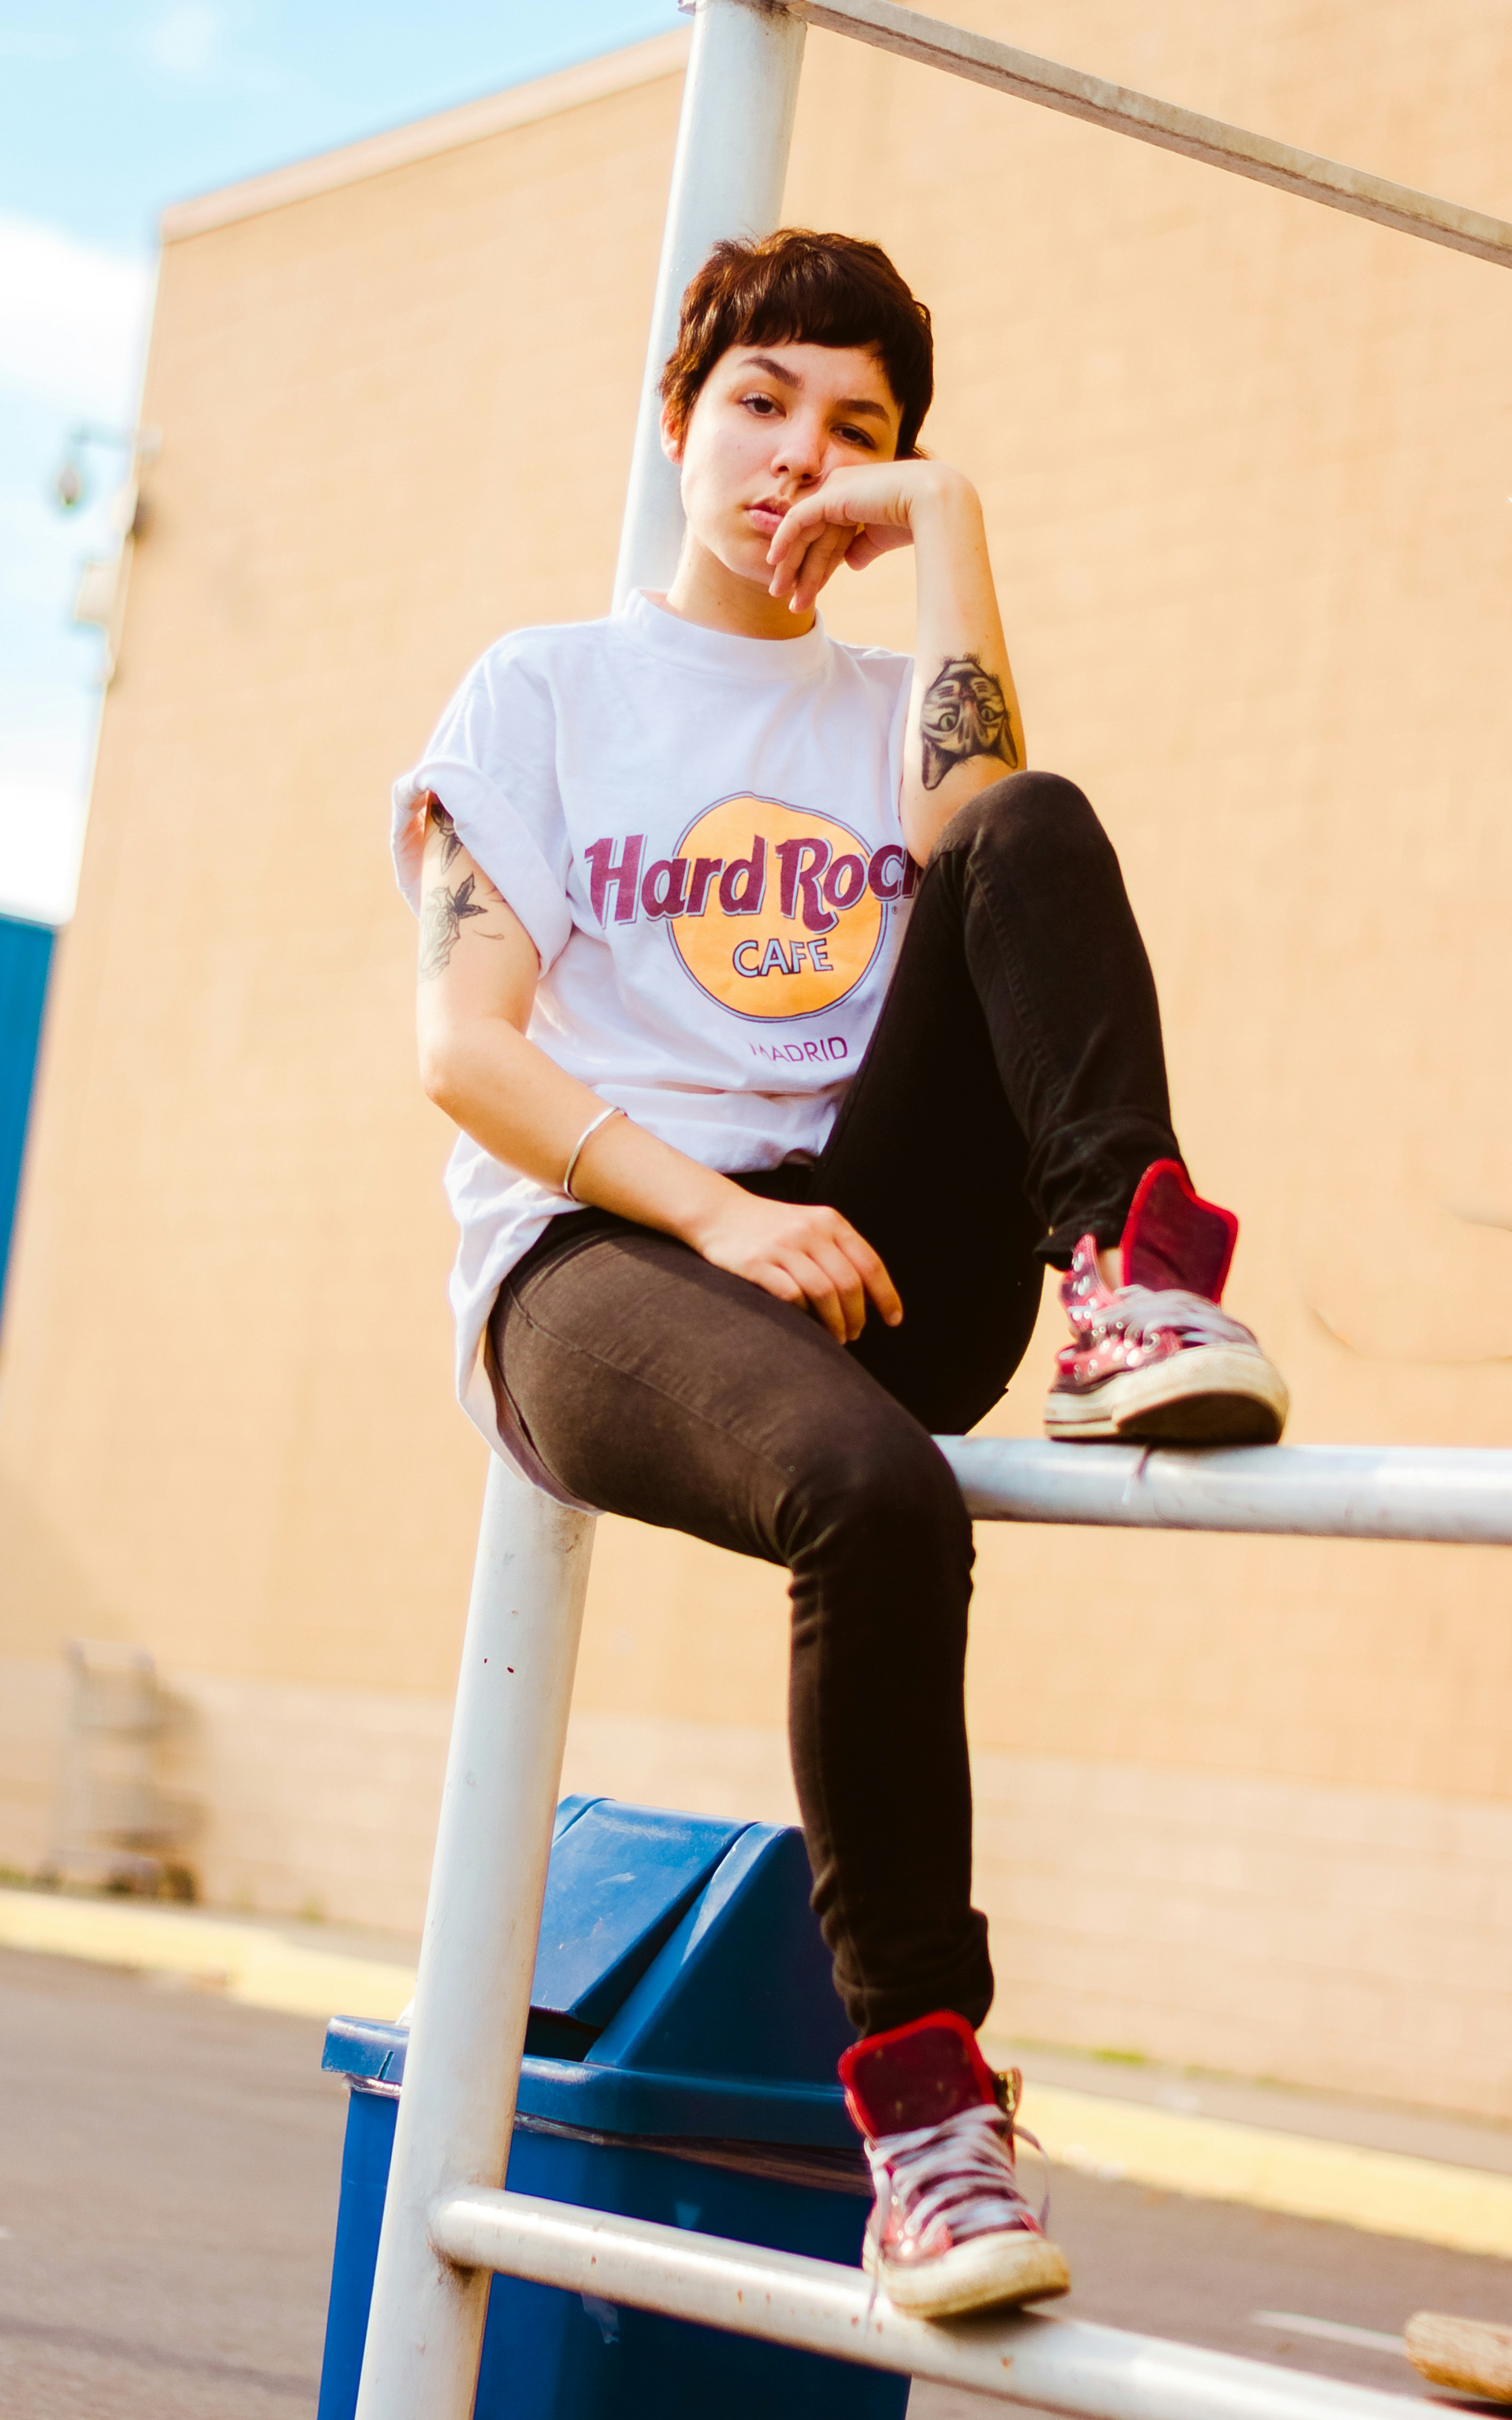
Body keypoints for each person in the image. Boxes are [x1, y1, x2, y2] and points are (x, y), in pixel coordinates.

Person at [393, 230, 1287, 2322]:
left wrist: (955, 530)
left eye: (862, 431)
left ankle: (1133, 1275)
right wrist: (713, 1215)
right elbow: (462, 1044)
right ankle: (924, 2106)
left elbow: (993, 853)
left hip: (882, 1251)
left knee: (1034, 814)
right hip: (608, 1265)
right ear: (683, 416)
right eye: (765, 404)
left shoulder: (894, 711)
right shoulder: (540, 688)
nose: (804, 456)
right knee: (879, 1503)